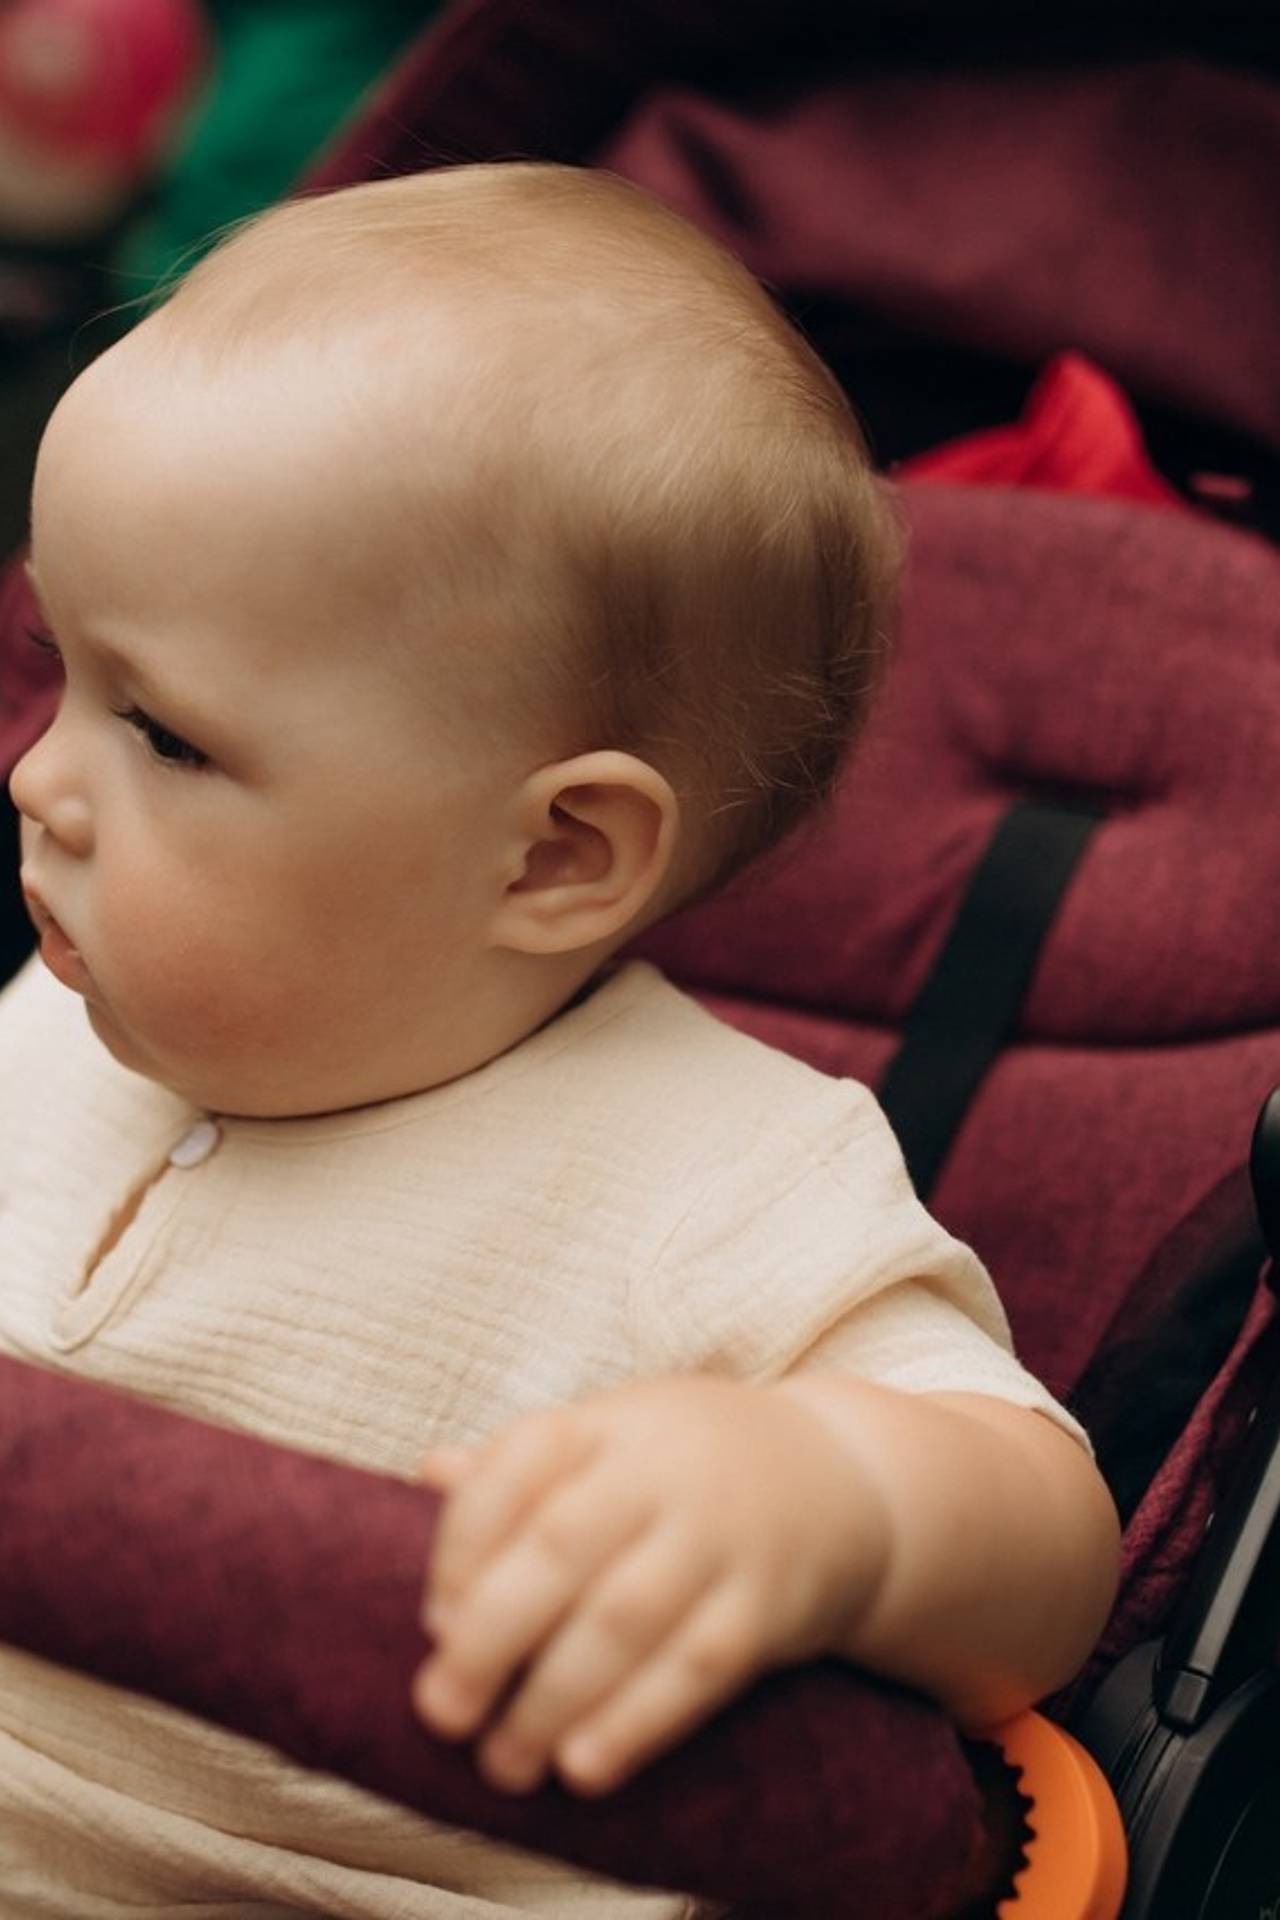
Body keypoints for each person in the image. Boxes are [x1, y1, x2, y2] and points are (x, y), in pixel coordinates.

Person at [0, 161, 1119, 1917]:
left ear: (555, 855)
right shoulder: (52, 1030)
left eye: (167, 735)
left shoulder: (715, 1180)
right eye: (54, 663)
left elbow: (1048, 1545)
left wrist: (823, 1494)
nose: (38, 776)